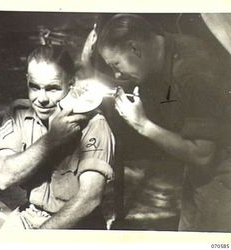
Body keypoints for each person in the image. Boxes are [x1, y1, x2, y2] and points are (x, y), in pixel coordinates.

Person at [96, 14, 231, 231]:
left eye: (116, 64)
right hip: (198, 174)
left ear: (135, 48)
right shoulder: (161, 49)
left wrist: (142, 124)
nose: (117, 73)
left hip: (222, 177)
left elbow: (203, 154)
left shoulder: (195, 72)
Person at [0, 45, 115, 229]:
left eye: (52, 89)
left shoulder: (94, 124)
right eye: (34, 87)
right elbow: (3, 177)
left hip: (76, 227)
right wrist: (51, 140)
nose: (41, 99)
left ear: (71, 84)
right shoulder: (18, 113)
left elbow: (90, 198)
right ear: (27, 80)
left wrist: (40, 238)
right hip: (29, 215)